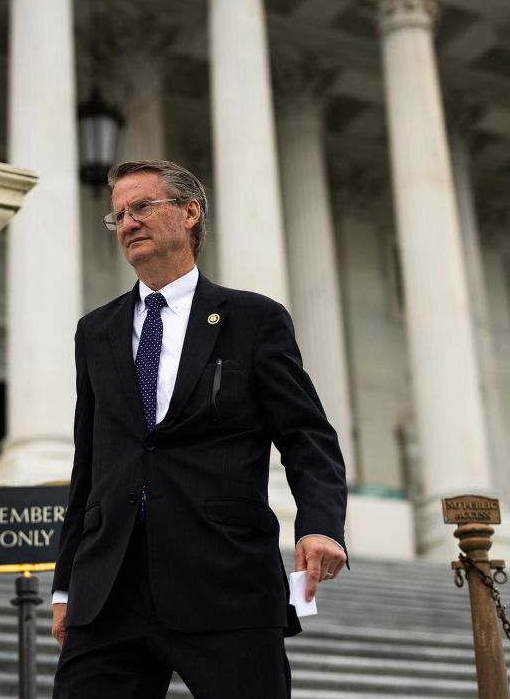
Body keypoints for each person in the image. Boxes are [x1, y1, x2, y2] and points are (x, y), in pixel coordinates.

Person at [51, 160, 348, 698]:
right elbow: (89, 465)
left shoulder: (253, 319)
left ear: (190, 213)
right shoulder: (95, 331)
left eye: (142, 207)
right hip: (110, 588)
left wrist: (320, 525)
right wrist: (66, 585)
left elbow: (308, 435)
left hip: (224, 580)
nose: (128, 222)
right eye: (118, 214)